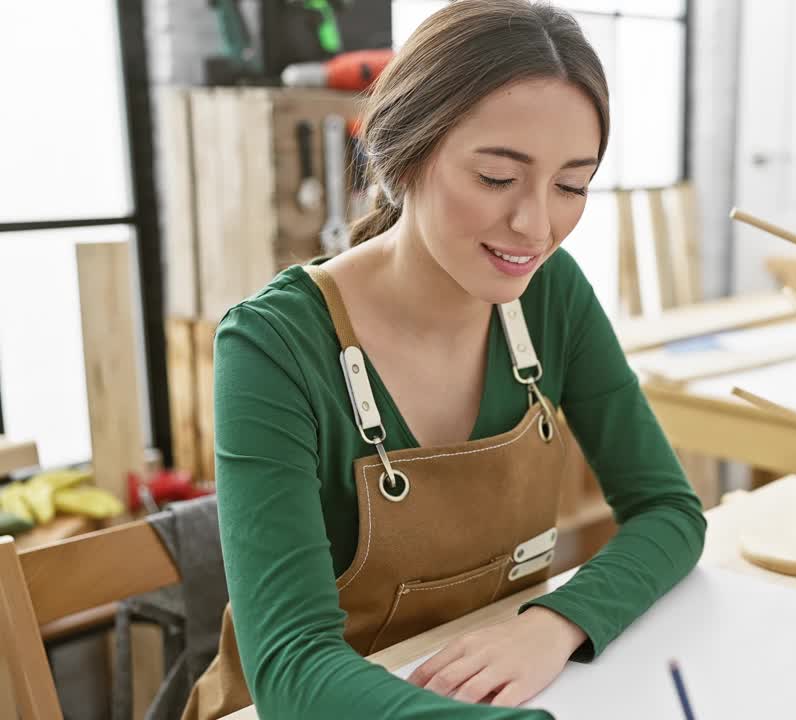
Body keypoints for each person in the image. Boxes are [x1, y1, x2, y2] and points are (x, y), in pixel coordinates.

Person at [180, 2, 707, 718]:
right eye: (496, 178)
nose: (536, 225)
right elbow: (290, 666)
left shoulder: (551, 296)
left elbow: (670, 511)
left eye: (572, 185)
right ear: (405, 152)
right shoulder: (273, 346)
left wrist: (554, 623)